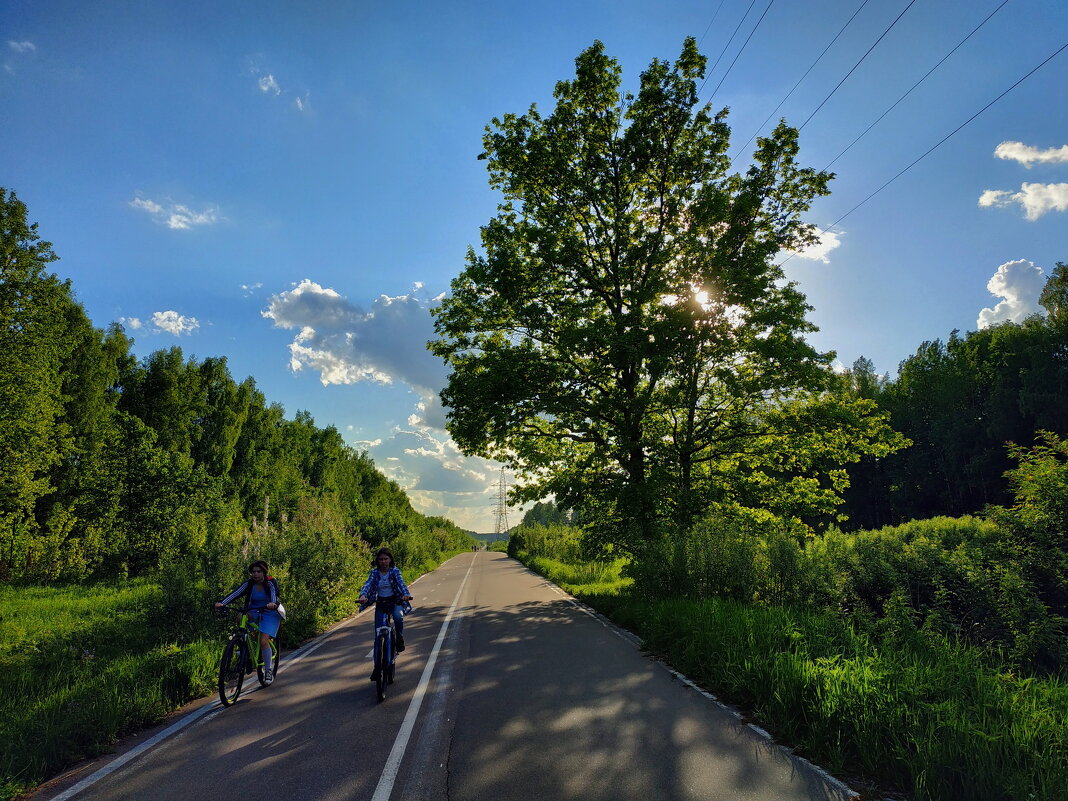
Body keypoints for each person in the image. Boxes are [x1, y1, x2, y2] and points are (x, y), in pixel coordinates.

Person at [215, 560, 281, 685]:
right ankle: (244, 644)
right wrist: (222, 603)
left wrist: (272, 603)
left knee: (263, 641)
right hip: (254, 610)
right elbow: (235, 593)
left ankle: (268, 670)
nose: (255, 574)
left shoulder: (270, 582)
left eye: (258, 571)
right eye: (253, 572)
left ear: (264, 572)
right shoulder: (249, 584)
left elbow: (274, 594)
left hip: (270, 612)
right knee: (240, 616)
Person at [357, 547, 412, 681]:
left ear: (390, 560)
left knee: (398, 617)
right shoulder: (374, 573)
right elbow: (368, 584)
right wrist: (363, 595)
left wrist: (406, 594)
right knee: (377, 635)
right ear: (377, 560)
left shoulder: (395, 571)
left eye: (386, 559)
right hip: (381, 603)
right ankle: (377, 668)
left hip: (395, 602)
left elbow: (401, 583)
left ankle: (399, 638)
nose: (383, 562)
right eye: (381, 559)